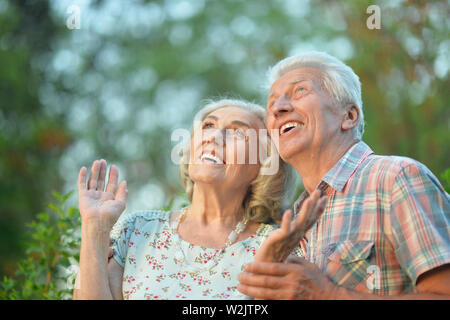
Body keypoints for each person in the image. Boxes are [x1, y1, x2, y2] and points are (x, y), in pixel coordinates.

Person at [237, 51, 450, 299]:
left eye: (300, 91)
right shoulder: (293, 221)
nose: (277, 108)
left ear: (348, 116)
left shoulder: (395, 178)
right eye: (271, 102)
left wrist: (330, 295)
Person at [73, 98, 326, 300]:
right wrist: (94, 228)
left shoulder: (276, 246)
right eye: (208, 125)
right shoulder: (138, 230)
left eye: (238, 133)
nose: (213, 137)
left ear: (264, 166)